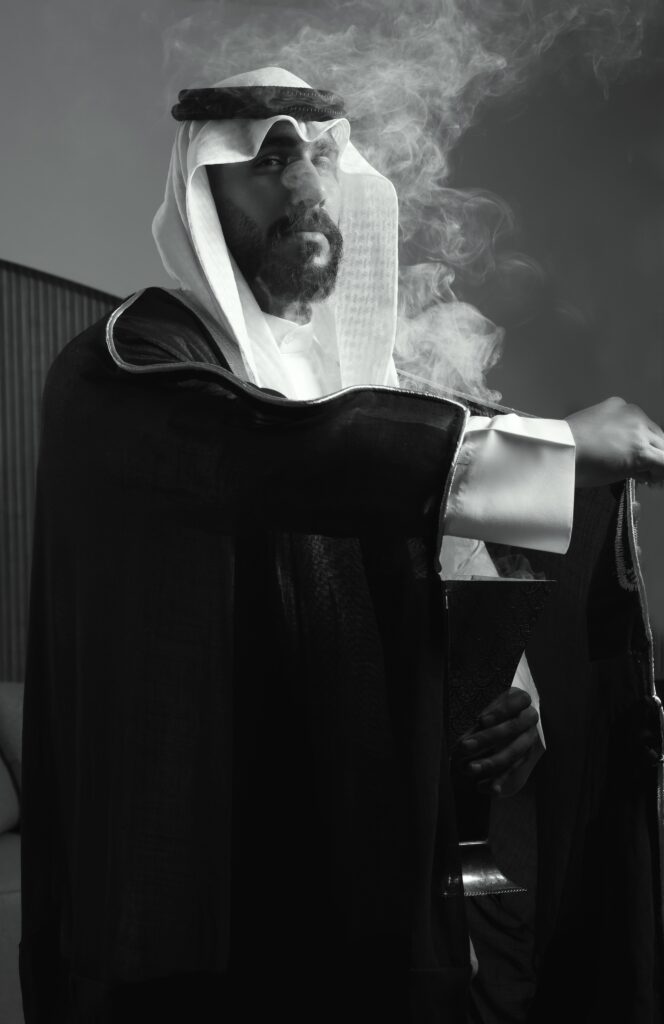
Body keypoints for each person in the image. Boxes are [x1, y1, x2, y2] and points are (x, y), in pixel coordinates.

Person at [19, 66, 664, 1024]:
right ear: (202, 187)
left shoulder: (354, 388)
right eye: (269, 159)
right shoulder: (132, 368)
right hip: (208, 865)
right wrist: (557, 449)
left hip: (359, 861)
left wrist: (504, 691)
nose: (305, 185)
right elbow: (294, 459)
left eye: (322, 156)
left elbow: (421, 540)